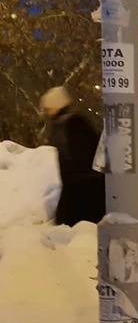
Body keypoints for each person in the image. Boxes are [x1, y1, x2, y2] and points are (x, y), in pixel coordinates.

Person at [40, 86, 105, 226]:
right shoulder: (66, 123)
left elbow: (82, 154)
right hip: (81, 183)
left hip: (85, 183)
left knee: (79, 224)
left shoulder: (73, 123)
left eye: (48, 108)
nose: (47, 112)